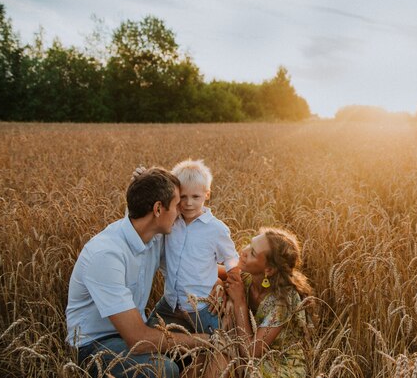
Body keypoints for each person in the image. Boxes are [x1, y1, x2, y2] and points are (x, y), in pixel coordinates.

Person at [66, 167, 208, 378]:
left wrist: (236, 279)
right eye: (177, 204)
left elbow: (194, 269)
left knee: (197, 339)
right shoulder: (106, 254)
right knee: (163, 369)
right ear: (158, 209)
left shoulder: (154, 238)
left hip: (134, 330)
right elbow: (137, 338)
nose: (180, 212)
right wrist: (203, 339)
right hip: (95, 346)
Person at [148, 159, 239, 335]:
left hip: (202, 306)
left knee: (219, 344)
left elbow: (230, 258)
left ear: (207, 194)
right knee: (149, 335)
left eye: (195, 197)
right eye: (183, 197)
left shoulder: (216, 229)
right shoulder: (171, 222)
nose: (188, 203)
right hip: (170, 302)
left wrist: (230, 285)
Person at [211, 227, 313, 378]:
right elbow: (206, 271)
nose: (244, 251)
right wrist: (217, 282)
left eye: (252, 252)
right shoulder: (247, 276)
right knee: (204, 364)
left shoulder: (284, 301)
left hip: (279, 364)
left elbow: (251, 353)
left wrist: (240, 302)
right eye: (250, 244)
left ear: (269, 270)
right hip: (245, 349)